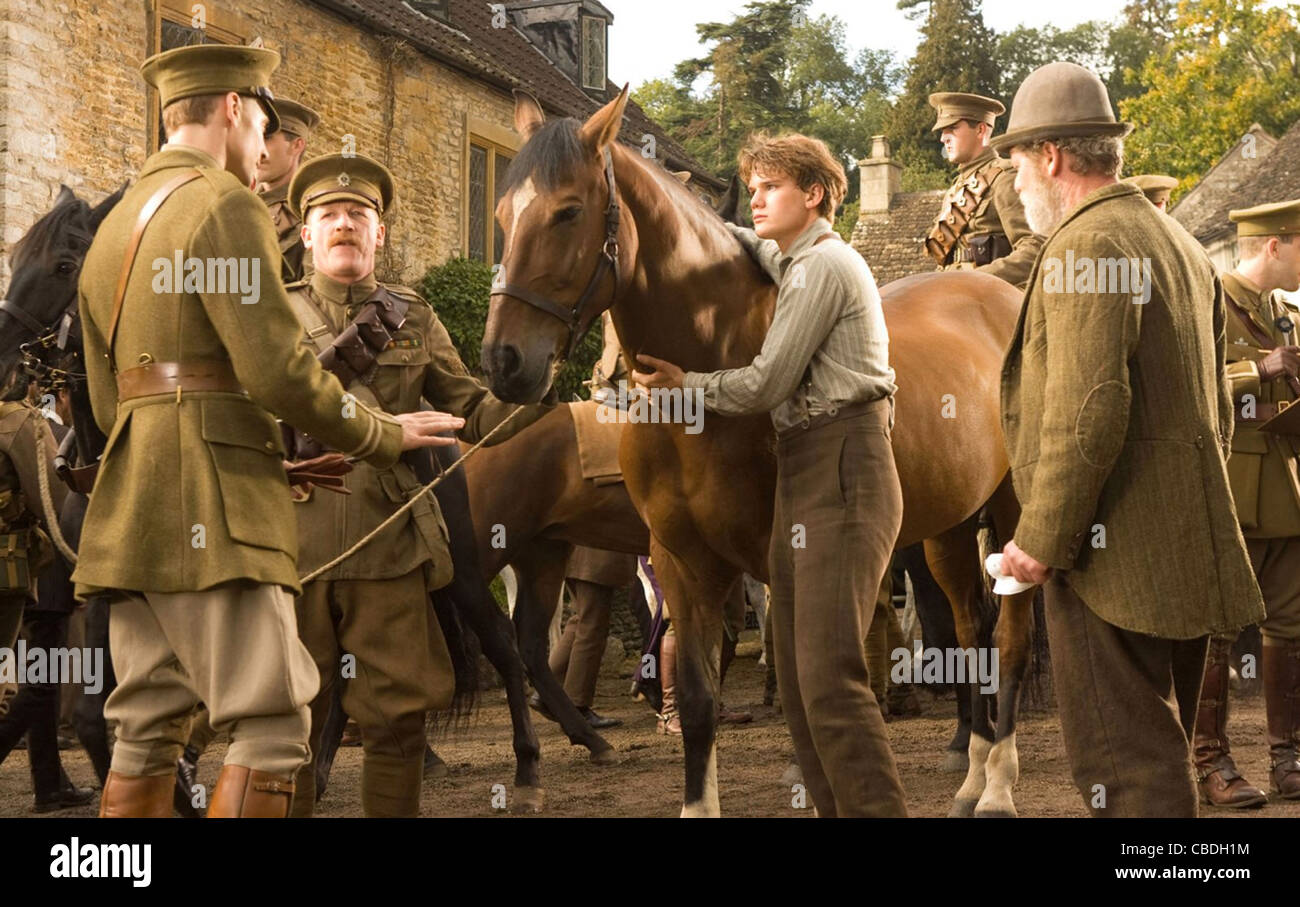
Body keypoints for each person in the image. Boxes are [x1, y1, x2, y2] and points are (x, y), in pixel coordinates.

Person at [73, 44, 458, 818]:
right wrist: (384, 436)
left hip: (130, 510)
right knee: (277, 726)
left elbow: (108, 400)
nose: (266, 153)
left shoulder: (114, 227)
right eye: (263, 128)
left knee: (145, 726)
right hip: (215, 510)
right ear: (233, 110)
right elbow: (277, 374)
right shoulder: (223, 204)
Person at [993, 62, 1265, 817]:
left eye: (1017, 161)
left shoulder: (1087, 244)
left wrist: (1040, 540)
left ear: (1051, 156)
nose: (1014, 182)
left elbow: (1093, 408)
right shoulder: (1171, 236)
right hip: (1180, 550)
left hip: (1110, 564)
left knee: (1130, 772)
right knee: (1156, 757)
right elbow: (1215, 407)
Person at [634, 132, 907, 817]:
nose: (755, 197)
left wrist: (684, 383)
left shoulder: (822, 269)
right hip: (808, 467)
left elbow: (765, 383)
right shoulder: (793, 259)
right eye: (750, 186)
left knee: (831, 681)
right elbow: (750, 243)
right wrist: (684, 212)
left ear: (813, 194)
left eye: (771, 187)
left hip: (845, 461)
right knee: (798, 680)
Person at [281, 152, 556, 817]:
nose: (344, 223)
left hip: (391, 548)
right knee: (283, 723)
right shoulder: (272, 314)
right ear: (307, 234)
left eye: (359, 214)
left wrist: (539, 378)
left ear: (378, 234)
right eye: (329, 215)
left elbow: (473, 411)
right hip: (292, 546)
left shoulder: (411, 316)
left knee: (398, 721)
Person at [1191, 199, 1300, 806]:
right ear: (1274, 246)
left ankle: (1288, 756)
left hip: (1287, 485)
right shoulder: (1211, 299)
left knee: (1291, 624)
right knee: (1220, 631)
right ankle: (1212, 762)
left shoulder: (1287, 310)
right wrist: (1257, 368)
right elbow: (1194, 382)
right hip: (1233, 486)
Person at [925, 92, 1043, 289]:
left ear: (980, 130)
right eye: (942, 131)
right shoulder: (954, 190)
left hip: (994, 301)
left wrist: (975, 280)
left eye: (952, 129)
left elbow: (1035, 249)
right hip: (954, 295)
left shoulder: (1005, 179)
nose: (943, 138)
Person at [258, 97, 320, 282]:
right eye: (255, 137)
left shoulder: (313, 212)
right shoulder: (236, 202)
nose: (258, 148)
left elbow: (317, 294)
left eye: (267, 138)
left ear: (296, 145)